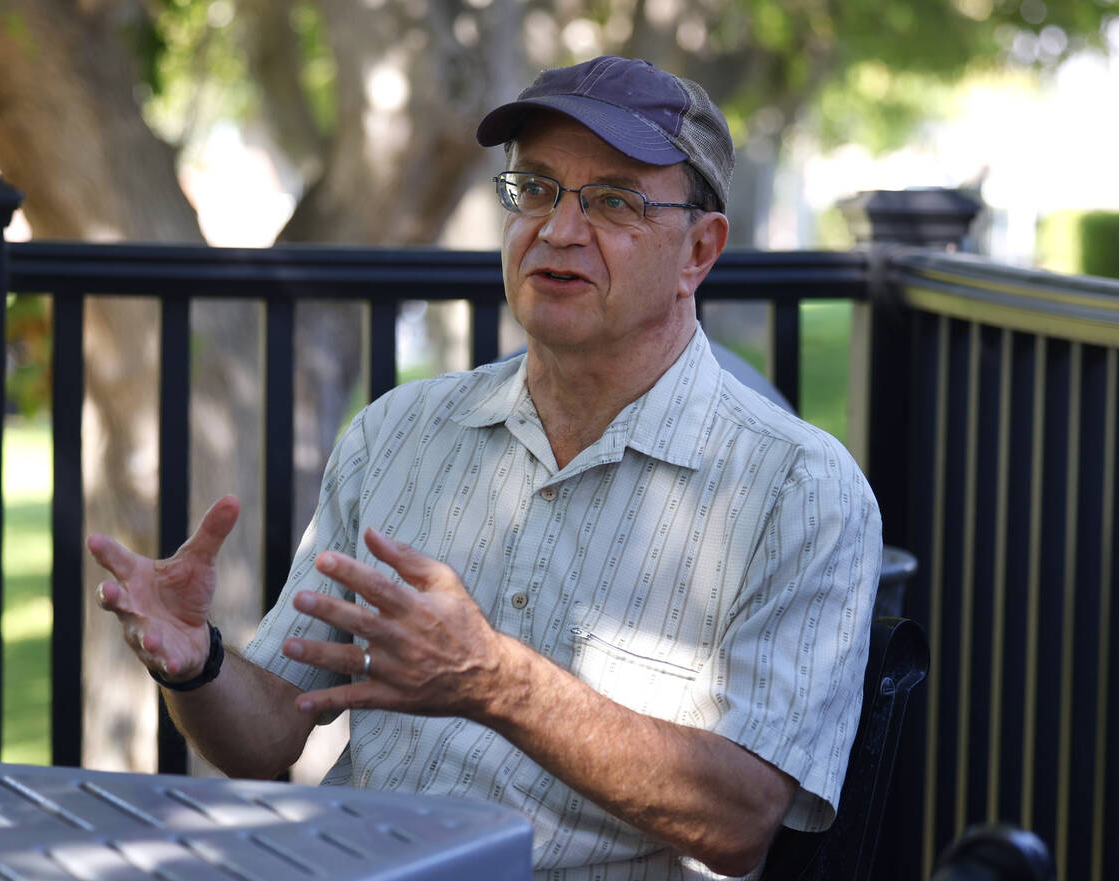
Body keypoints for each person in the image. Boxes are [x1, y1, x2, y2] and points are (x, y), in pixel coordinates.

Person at [88, 55, 882, 881]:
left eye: (613, 201)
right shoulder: (396, 432)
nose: (558, 230)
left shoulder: (799, 488)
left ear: (699, 251)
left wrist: (495, 681)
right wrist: (199, 662)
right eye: (534, 188)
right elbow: (270, 736)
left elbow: (739, 818)